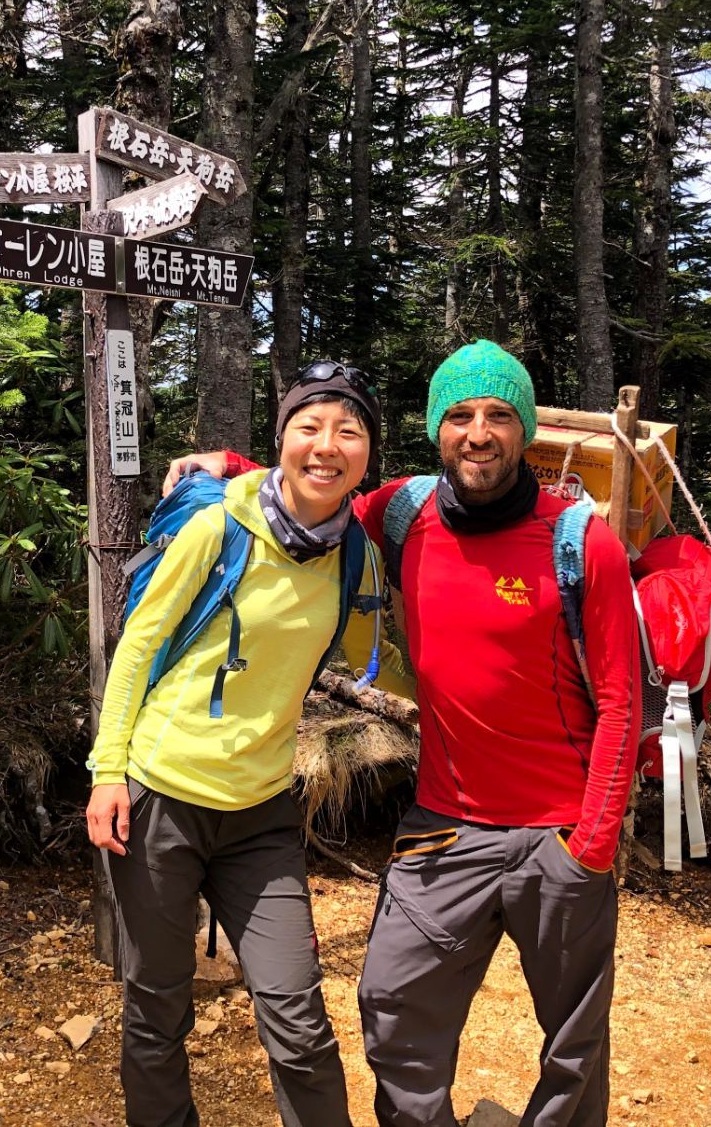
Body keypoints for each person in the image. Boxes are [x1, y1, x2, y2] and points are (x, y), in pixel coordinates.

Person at [165, 339, 640, 1127]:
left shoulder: (578, 540)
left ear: (523, 429)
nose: (477, 433)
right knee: (391, 1006)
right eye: (458, 416)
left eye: (496, 416)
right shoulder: (405, 511)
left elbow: (622, 700)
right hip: (443, 827)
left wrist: (587, 846)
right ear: (435, 429)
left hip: (557, 832)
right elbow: (318, 485)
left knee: (573, 1043)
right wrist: (230, 462)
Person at [86, 362, 386, 1127]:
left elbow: (396, 656)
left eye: (348, 431)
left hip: (260, 813)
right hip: (160, 798)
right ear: (280, 439)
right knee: (156, 1006)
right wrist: (107, 771)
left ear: (367, 454)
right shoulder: (217, 525)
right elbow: (137, 645)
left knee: (297, 1017)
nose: (327, 447)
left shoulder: (356, 553)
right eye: (308, 428)